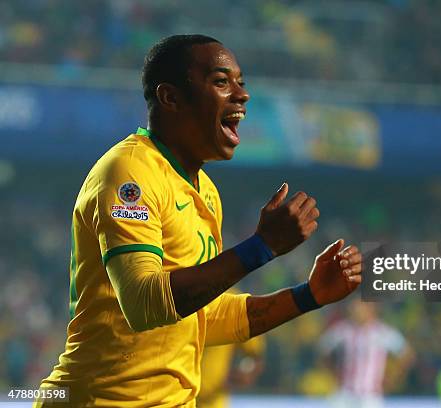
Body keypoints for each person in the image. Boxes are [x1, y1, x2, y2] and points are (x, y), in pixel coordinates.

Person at [36, 34, 362, 407]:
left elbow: (201, 315)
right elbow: (145, 304)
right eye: (222, 81)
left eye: (241, 82)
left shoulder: (205, 192)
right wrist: (262, 247)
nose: (242, 95)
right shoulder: (129, 172)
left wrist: (308, 295)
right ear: (170, 97)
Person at [320, 300, 411, 408]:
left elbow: (407, 355)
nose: (356, 311)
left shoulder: (383, 332)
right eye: (354, 308)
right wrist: (333, 373)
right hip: (344, 393)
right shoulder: (343, 330)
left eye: (359, 307)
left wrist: (392, 379)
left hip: (370, 395)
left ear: (370, 309)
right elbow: (323, 349)